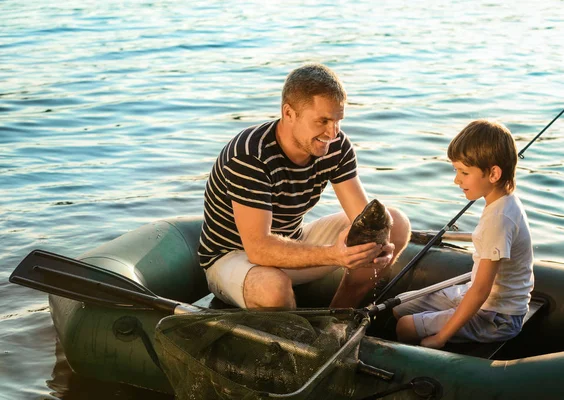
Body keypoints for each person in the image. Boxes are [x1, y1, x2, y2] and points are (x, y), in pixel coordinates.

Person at [198, 63, 411, 309]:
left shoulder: (335, 146)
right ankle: (299, 340)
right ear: (289, 113)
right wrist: (334, 254)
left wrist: (377, 245)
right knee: (272, 289)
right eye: (322, 121)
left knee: (395, 222)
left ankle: (337, 318)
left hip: (291, 240)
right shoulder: (250, 156)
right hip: (233, 257)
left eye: (337, 120)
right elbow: (258, 249)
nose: (332, 133)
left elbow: (361, 217)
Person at [394, 119, 534, 349]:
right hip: (485, 300)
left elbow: (480, 291)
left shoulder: (499, 220)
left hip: (497, 315)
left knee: (405, 327)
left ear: (493, 174)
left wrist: (440, 337)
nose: (456, 179)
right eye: (456, 170)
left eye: (464, 172)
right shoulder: (504, 201)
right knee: (400, 308)